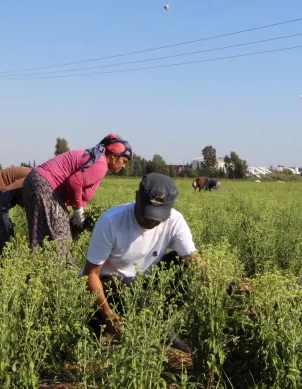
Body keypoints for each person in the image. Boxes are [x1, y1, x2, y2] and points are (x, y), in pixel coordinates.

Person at [82, 174, 205, 350]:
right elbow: (91, 274)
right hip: (111, 287)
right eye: (147, 213)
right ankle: (155, 329)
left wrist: (222, 285)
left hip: (143, 282)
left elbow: (194, 261)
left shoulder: (175, 221)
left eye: (158, 216)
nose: (151, 221)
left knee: (182, 262)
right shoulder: (111, 220)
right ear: (137, 197)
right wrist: (109, 315)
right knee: (127, 296)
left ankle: (162, 321)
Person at [22, 134, 132, 254]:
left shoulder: (95, 159)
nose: (124, 166)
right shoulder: (100, 165)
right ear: (114, 156)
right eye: (124, 161)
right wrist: (78, 210)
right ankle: (58, 270)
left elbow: (82, 192)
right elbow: (74, 182)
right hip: (45, 186)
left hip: (36, 182)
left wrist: (83, 210)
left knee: (42, 238)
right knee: (61, 242)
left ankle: (39, 269)